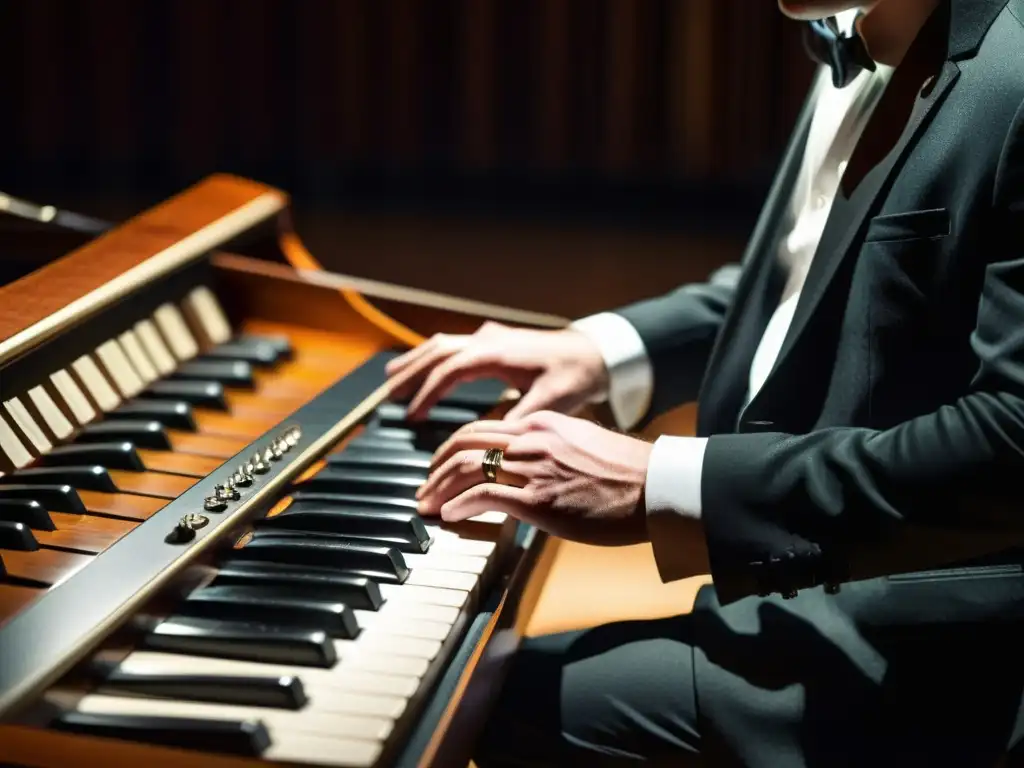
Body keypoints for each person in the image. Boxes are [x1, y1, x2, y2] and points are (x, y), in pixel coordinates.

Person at [387, 0, 1024, 765]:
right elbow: (813, 277)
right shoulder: (859, 21)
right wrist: (603, 351)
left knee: (453, 708)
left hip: (941, 654)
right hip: (811, 590)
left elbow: (1010, 443)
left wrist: (664, 485)